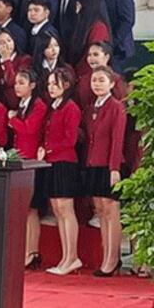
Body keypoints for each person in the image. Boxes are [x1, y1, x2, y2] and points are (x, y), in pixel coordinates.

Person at [83, 66, 127, 277]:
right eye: (94, 80)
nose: (97, 84)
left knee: (111, 210)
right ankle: (106, 256)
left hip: (109, 165)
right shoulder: (92, 108)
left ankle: (113, 258)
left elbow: (117, 139)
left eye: (101, 80)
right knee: (100, 210)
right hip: (94, 163)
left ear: (111, 83)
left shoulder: (116, 107)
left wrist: (114, 167)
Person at [39, 68, 82, 276]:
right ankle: (66, 257)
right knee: (57, 209)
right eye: (49, 84)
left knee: (66, 209)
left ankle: (72, 256)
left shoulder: (71, 108)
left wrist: (48, 149)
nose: (51, 88)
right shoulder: (53, 107)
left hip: (65, 162)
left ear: (66, 85)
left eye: (55, 84)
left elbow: (70, 139)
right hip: (51, 161)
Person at [7, 68, 47, 269]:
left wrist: (12, 120)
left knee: (32, 209)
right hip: (20, 160)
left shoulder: (38, 105)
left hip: (32, 161)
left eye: (22, 82)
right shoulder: (21, 106)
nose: (17, 86)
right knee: (24, 209)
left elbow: (30, 129)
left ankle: (32, 251)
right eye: (16, 83)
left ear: (32, 85)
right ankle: (25, 250)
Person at [68, 0, 111, 78]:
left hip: (89, 74)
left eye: (79, 4)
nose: (77, 8)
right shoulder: (84, 24)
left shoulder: (99, 28)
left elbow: (94, 53)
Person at [0, 28, 33, 110]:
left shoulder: (25, 60)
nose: (6, 45)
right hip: (1, 107)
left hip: (19, 105)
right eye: (2, 43)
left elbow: (13, 82)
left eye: (9, 40)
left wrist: (7, 60)